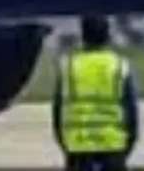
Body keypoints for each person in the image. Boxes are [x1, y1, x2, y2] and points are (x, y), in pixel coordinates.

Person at [53, 16, 139, 171]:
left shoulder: (69, 66)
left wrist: (66, 146)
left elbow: (57, 112)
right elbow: (131, 112)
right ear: (108, 36)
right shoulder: (119, 65)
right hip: (113, 145)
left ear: (83, 36)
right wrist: (126, 148)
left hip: (78, 147)